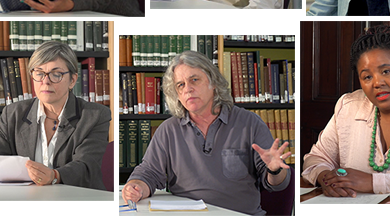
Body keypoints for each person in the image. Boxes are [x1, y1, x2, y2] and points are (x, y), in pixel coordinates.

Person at [122, 51, 291, 215]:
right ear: (177, 95)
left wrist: (274, 170)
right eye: (180, 85)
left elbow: (277, 184)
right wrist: (136, 187)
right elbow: (148, 173)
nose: (188, 89)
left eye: (194, 80)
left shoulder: (250, 123)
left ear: (214, 83)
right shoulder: (168, 130)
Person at [302, 25, 390, 197]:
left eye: (386, 71)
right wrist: (328, 180)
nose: (377, 82)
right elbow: (315, 158)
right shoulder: (348, 106)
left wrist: (371, 182)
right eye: (367, 76)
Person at [0, 41, 111, 190]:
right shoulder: (13, 113)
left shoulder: (95, 115)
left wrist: (54, 176)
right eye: (39, 74)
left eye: (56, 74)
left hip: (79, 200)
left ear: (72, 80)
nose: (45, 82)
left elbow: (86, 167)